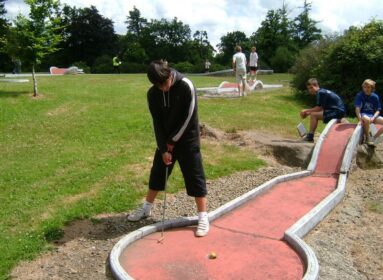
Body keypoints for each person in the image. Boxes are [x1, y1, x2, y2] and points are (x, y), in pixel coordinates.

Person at [127, 60, 209, 237]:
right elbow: (156, 122)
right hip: (166, 142)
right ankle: (146, 209)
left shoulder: (186, 85)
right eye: (158, 86)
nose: (163, 89)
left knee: (195, 175)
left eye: (164, 84)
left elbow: (189, 117)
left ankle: (203, 216)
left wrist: (172, 142)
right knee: (157, 172)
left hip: (188, 139)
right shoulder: (152, 93)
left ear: (170, 75)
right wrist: (163, 148)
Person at [354, 79, 383, 145]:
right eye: (364, 87)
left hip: (372, 115)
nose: (366, 89)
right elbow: (357, 108)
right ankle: (367, 137)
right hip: (363, 114)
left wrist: (374, 117)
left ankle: (374, 137)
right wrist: (360, 119)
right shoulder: (360, 95)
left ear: (372, 88)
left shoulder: (375, 97)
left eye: (368, 87)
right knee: (367, 119)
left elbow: (378, 110)